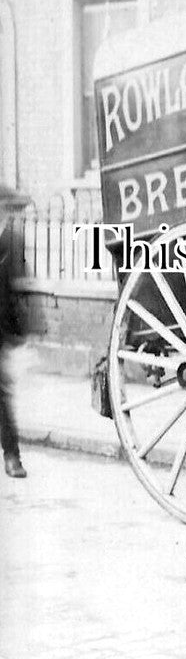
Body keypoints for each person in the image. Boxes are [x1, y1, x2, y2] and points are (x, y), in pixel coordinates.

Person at [0, 186, 27, 478]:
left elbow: (18, 289)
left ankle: (12, 456)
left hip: (1, 327)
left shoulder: (12, 241)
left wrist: (19, 333)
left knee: (2, 393)